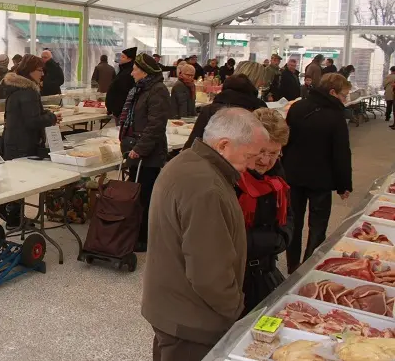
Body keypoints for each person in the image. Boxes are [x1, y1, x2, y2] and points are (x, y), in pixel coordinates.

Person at [142, 108, 269, 361]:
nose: (256, 165)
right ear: (224, 145)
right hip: (193, 321)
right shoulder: (206, 186)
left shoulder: (188, 161)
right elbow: (209, 272)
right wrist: (235, 309)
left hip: (172, 306)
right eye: (250, 156)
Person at [283, 73, 353, 273]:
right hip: (321, 179)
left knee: (293, 222)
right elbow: (341, 153)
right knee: (318, 226)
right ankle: (308, 267)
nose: (345, 99)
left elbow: (286, 142)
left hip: (293, 174)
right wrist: (343, 184)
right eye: (344, 95)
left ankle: (292, 265)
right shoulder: (336, 116)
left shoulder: (297, 107)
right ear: (332, 92)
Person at [239, 108, 294, 316]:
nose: (265, 160)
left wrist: (284, 237)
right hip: (237, 276)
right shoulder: (232, 178)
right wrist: (270, 241)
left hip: (266, 270)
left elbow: (289, 214)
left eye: (273, 153)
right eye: (261, 152)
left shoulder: (276, 175)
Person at [0, 55, 59, 227]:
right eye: (39, 70)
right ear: (30, 70)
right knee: (20, 181)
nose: (42, 74)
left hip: (13, 140)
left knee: (16, 180)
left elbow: (29, 114)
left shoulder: (16, 87)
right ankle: (12, 217)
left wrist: (45, 114)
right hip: (23, 142)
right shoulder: (29, 91)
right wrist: (51, 117)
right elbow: (32, 121)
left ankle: (13, 216)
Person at [117, 53, 170, 252]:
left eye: (135, 69)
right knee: (137, 194)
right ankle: (136, 233)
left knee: (145, 197)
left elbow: (156, 125)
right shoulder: (140, 89)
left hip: (149, 154)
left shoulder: (158, 91)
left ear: (145, 71)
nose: (132, 72)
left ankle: (145, 238)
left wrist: (140, 149)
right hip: (135, 149)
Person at [184, 74, 266, 149]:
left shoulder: (210, 109)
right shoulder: (259, 109)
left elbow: (194, 141)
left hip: (212, 158)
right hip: (250, 158)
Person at [105, 47, 136, 117]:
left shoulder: (129, 72)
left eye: (123, 57)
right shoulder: (123, 70)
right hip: (118, 109)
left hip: (122, 110)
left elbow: (123, 92)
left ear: (129, 59)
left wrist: (115, 108)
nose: (121, 58)